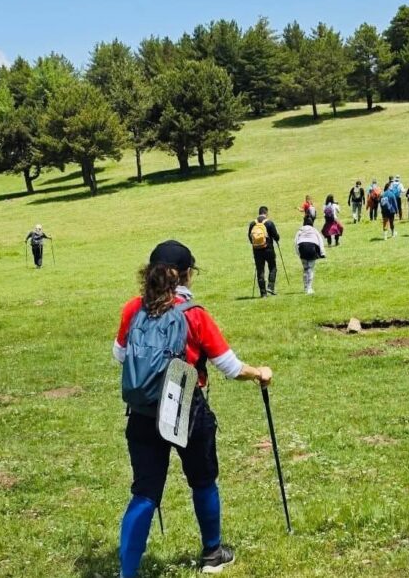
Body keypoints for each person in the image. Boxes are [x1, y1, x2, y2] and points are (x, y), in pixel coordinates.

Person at [113, 240, 273, 578]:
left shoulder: (132, 309)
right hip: (186, 407)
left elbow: (120, 356)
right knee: (202, 481)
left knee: (144, 492)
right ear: (186, 275)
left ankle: (127, 572)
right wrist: (260, 372)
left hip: (141, 412)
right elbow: (230, 367)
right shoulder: (194, 314)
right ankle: (213, 553)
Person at [247, 207, 280, 297]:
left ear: (259, 213)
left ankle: (263, 293)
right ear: (266, 213)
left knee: (260, 270)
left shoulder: (252, 223)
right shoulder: (269, 223)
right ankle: (270, 286)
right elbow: (276, 236)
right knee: (273, 267)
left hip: (257, 250)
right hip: (268, 249)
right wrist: (276, 239)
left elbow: (250, 237)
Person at [294, 215, 326, 294]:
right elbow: (320, 241)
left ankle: (305, 287)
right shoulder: (314, 230)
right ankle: (309, 288)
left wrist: (298, 253)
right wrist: (322, 252)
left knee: (305, 269)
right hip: (312, 248)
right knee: (310, 269)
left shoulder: (300, 230)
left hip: (302, 248)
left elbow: (295, 242)